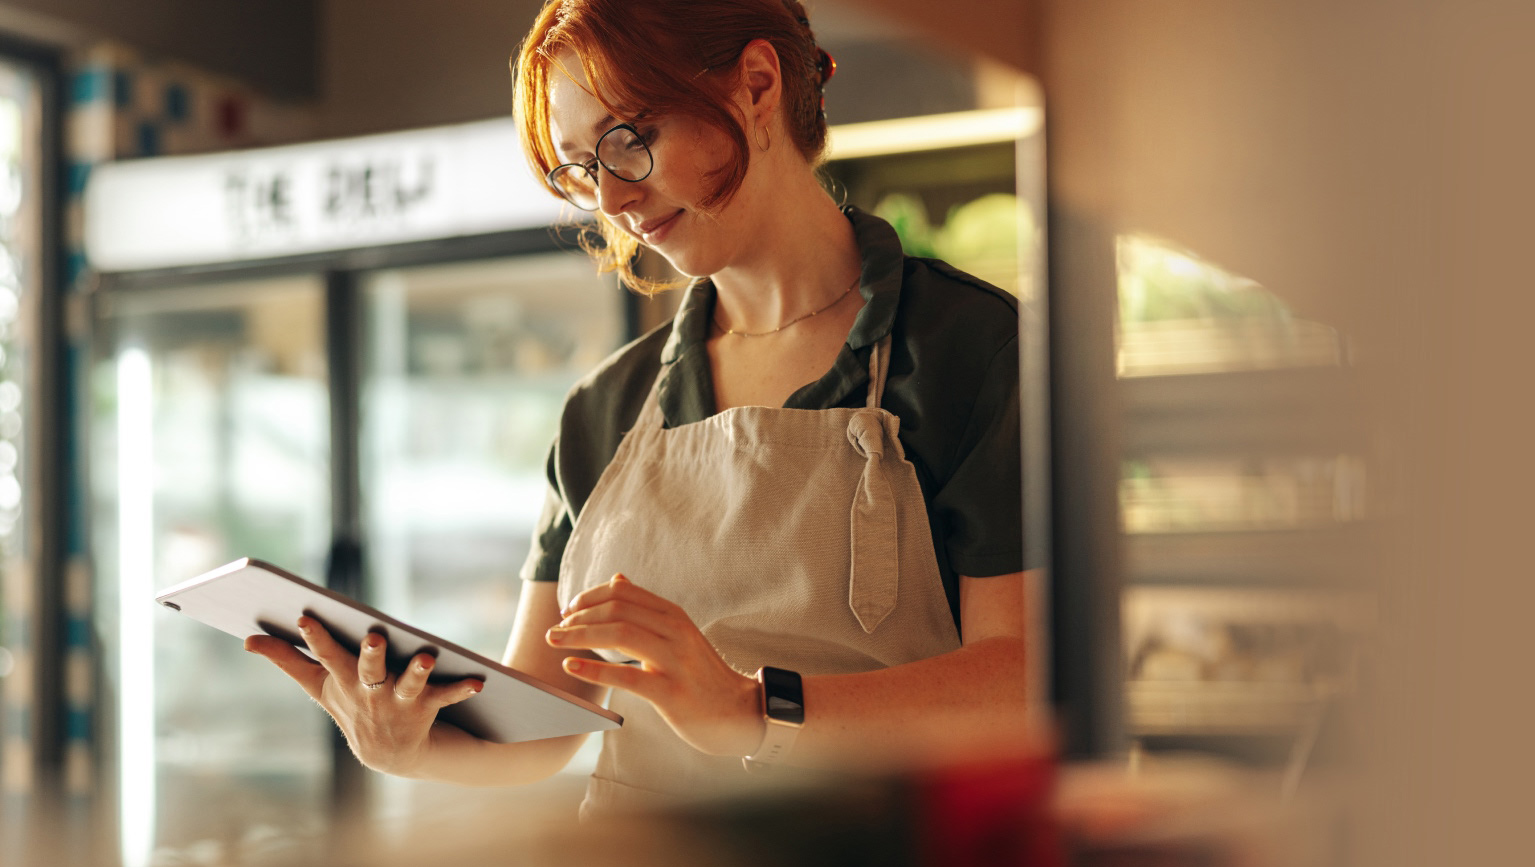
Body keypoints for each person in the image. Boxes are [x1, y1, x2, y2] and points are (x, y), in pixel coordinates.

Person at [248, 0, 1035, 818]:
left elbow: (1024, 678)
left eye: (629, 141)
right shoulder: (605, 409)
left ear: (756, 86)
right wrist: (411, 744)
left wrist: (751, 712)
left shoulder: (967, 350)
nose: (613, 201)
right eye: (581, 170)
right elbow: (547, 726)